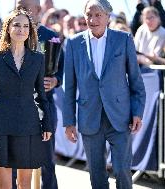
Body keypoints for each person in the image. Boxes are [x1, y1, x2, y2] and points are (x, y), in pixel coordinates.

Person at [63, 0, 146, 189]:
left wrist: (137, 112)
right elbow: (70, 87)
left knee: (122, 170)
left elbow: (136, 81)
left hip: (120, 116)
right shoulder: (74, 43)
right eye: (89, 15)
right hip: (89, 117)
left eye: (98, 15)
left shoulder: (123, 39)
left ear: (108, 17)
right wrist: (69, 121)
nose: (92, 19)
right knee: (97, 174)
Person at [0, 9, 52, 189]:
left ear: (30, 31)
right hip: (1, 126)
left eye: (26, 26)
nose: (21, 29)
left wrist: (47, 123)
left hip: (29, 125)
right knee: (4, 185)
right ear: (8, 28)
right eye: (16, 25)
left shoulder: (38, 59)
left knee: (25, 184)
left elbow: (41, 95)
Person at [14, 0, 64, 189]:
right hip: (15, 108)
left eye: (27, 7)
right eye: (19, 6)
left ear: (38, 9)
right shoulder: (8, 35)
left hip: (44, 107)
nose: (22, 10)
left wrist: (55, 81)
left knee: (47, 161)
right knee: (13, 161)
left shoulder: (51, 37)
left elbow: (61, 69)